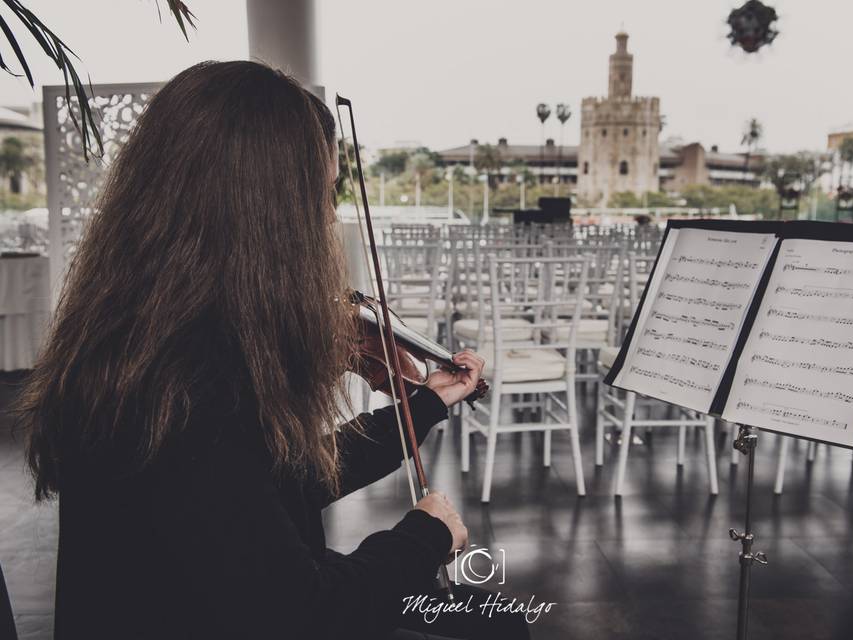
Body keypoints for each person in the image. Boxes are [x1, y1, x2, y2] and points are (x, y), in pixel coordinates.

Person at [17, 60, 530, 640]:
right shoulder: (191, 383)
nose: (327, 215)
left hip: (221, 597)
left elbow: (280, 484)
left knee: (489, 623)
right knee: (495, 630)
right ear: (266, 213)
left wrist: (428, 402)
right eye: (322, 193)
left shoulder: (145, 337)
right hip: (227, 617)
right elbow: (304, 614)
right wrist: (426, 535)